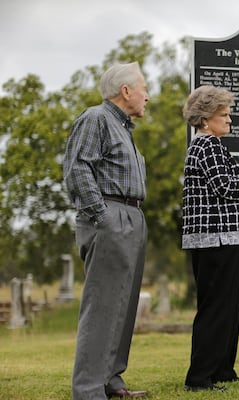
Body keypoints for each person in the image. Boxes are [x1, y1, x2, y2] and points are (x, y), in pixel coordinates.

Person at [63, 62, 149, 399]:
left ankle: (111, 381)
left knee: (123, 304)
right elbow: (77, 169)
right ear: (126, 91)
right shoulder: (96, 117)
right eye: (144, 87)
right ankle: (88, 390)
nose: (148, 95)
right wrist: (103, 216)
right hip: (110, 215)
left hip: (130, 215)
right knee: (102, 304)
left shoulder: (123, 127)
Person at [181, 85, 239, 392]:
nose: (230, 120)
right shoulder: (206, 146)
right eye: (224, 115)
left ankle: (223, 370)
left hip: (224, 237)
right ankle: (200, 378)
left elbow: (226, 179)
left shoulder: (213, 146)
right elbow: (224, 185)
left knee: (228, 307)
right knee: (216, 308)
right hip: (214, 239)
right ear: (205, 119)